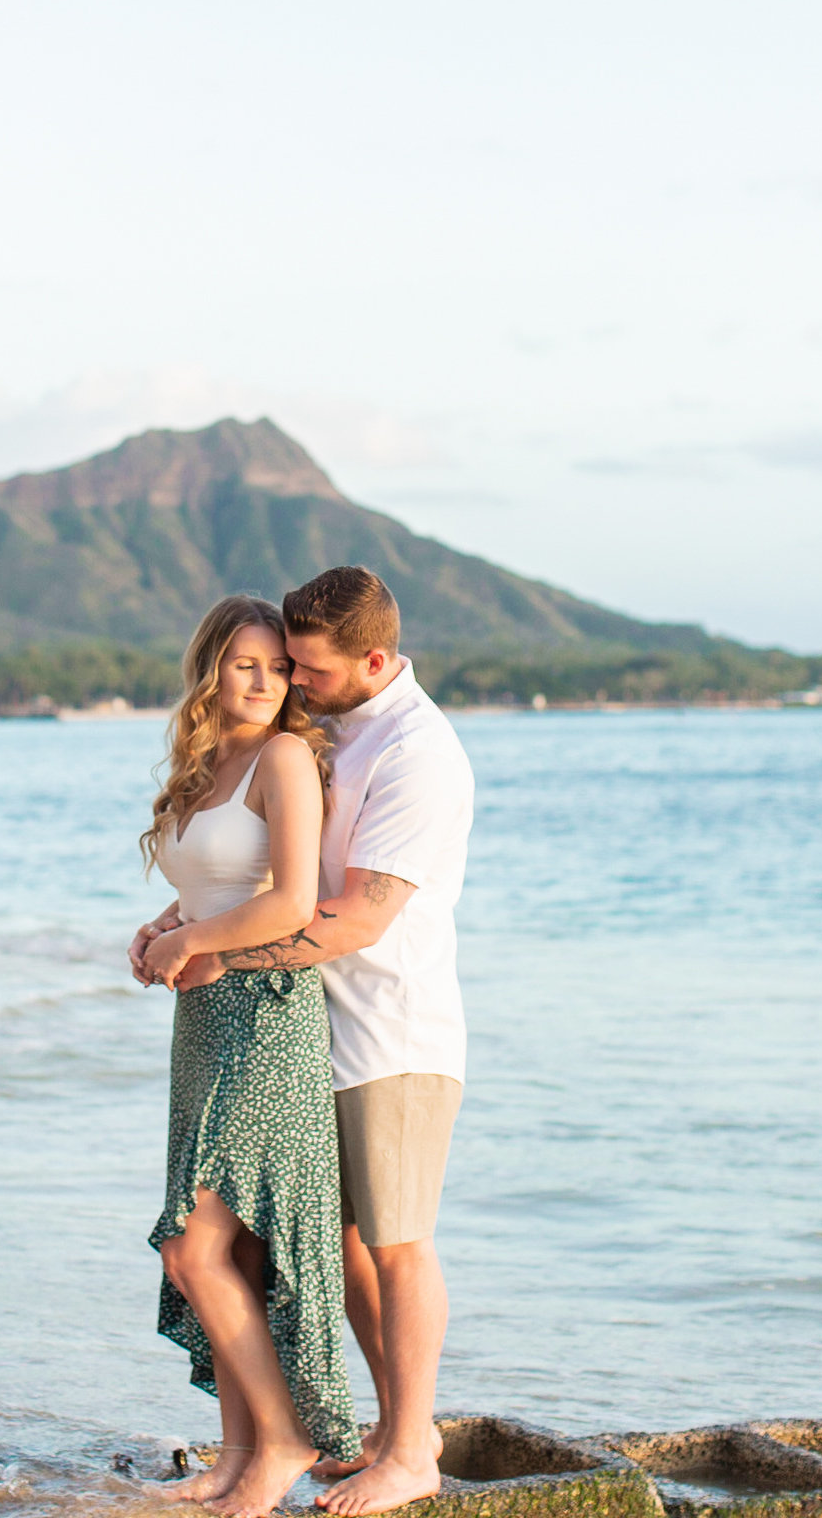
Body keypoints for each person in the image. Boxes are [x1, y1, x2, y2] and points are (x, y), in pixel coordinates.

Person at [163, 567, 475, 1518]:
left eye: (308, 668)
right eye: (276, 665)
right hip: (312, 1029)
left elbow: (354, 918)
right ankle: (382, 1432)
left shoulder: (421, 752)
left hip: (393, 1032)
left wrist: (216, 956)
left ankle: (412, 1450)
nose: (292, 682)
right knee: (335, 1253)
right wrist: (183, 922)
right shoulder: (327, 724)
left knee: (399, 1245)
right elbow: (254, 861)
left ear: (373, 661)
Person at [130, 594, 362, 1518]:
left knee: (196, 1245)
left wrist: (192, 946)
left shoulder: (286, 759)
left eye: (278, 666)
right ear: (210, 672)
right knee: (230, 1250)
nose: (266, 682)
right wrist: (160, 927)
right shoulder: (208, 762)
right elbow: (213, 886)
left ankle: (286, 1440)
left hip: (266, 1011)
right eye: (245, 665)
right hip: (203, 1019)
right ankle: (236, 1457)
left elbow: (292, 902)